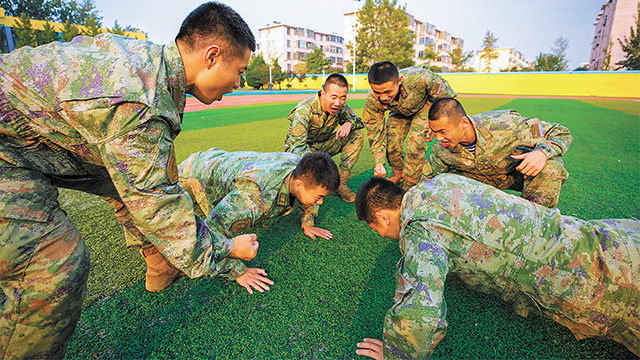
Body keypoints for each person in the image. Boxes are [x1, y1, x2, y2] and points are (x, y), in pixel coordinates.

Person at [0, 2, 259, 359]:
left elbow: (152, 181)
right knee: (51, 264)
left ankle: (161, 266)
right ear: (212, 56)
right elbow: (158, 205)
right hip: (7, 145)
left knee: (124, 180)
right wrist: (227, 249)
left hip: (32, 134)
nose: (238, 83)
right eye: (239, 70)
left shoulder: (151, 67)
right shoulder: (140, 100)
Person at [354, 175, 640, 359]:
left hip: (607, 286)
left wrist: (398, 352)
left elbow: (422, 312)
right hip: (604, 238)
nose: (382, 235)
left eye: (375, 228)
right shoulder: (437, 183)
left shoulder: (419, 231)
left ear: (382, 217)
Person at [148, 149, 339, 294]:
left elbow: (308, 193)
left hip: (221, 161)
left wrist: (308, 222)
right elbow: (212, 230)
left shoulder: (302, 167)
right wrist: (239, 272)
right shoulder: (256, 197)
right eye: (320, 197)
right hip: (196, 173)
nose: (320, 202)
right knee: (173, 210)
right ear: (298, 185)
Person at [421, 97, 573, 207]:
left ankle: (538, 221)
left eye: (443, 132)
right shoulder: (441, 149)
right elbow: (426, 182)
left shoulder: (505, 125)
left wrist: (542, 153)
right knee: (441, 183)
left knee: (550, 165)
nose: (439, 138)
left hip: (514, 174)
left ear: (463, 123)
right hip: (477, 182)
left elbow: (559, 132)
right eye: (435, 132)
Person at [362, 61, 457, 190]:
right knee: (392, 144)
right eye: (378, 92)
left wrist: (436, 123)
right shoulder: (372, 99)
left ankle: (410, 186)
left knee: (416, 143)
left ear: (399, 80)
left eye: (388, 91)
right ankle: (399, 175)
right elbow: (375, 131)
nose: (383, 97)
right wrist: (379, 162)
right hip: (399, 112)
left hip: (424, 107)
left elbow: (449, 98)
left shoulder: (422, 77)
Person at [285, 73, 364, 203]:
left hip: (322, 146)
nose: (338, 103)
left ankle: (340, 184)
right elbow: (297, 147)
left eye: (343, 98)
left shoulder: (340, 108)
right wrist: (320, 169)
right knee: (309, 180)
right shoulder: (305, 110)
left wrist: (348, 123)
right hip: (300, 153)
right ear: (323, 93)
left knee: (356, 135)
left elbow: (359, 122)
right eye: (333, 97)